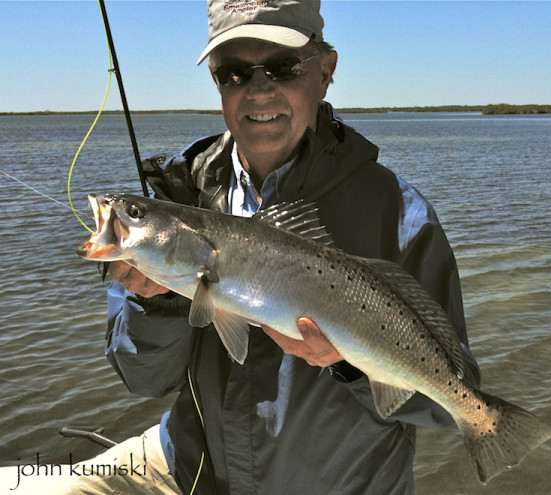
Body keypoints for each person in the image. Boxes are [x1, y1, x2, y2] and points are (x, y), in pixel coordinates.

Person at [32, 1, 480, 494]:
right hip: (191, 470)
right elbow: (143, 381)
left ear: (325, 72)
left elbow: (449, 403)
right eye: (235, 73)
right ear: (217, 83)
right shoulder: (178, 195)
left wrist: (350, 362)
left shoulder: (400, 215)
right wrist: (154, 302)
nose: (259, 90)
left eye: (284, 67)